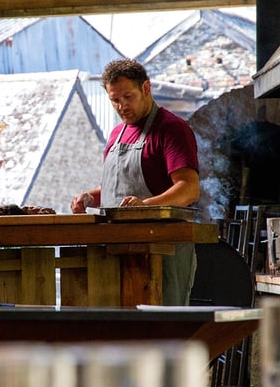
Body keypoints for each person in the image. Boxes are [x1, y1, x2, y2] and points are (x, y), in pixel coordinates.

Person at [71, 59, 200, 305]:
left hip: (161, 252)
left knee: (163, 332)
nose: (122, 106)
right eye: (115, 100)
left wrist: (146, 205)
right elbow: (117, 190)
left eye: (128, 97)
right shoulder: (115, 135)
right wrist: (90, 197)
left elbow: (189, 188)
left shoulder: (172, 129)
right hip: (116, 251)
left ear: (146, 89)